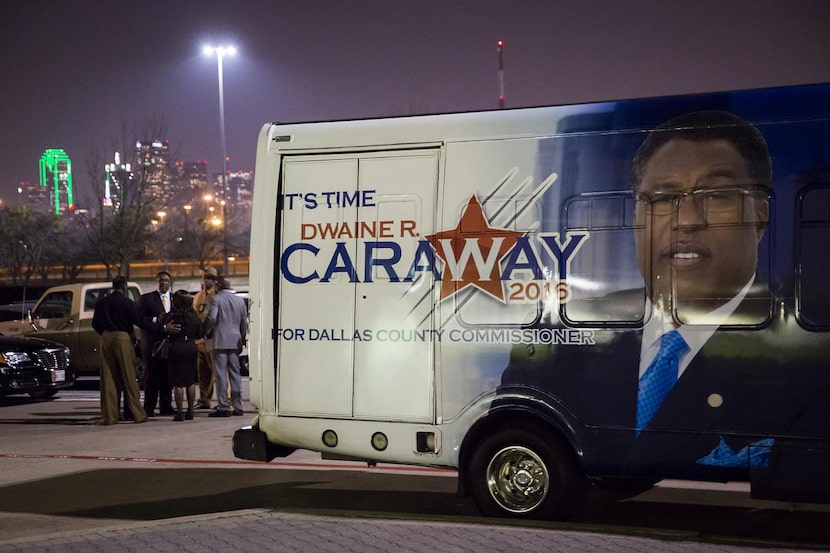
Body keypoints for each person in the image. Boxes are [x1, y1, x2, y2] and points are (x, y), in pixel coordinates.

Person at [498, 110, 819, 478]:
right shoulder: (556, 341)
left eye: (715, 196)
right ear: (636, 217)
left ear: (760, 216)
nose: (687, 219)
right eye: (664, 198)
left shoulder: (807, 358)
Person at [92, 276, 168, 425]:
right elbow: (140, 322)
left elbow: (95, 323)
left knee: (108, 378)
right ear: (125, 287)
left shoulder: (102, 302)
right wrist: (161, 328)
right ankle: (137, 413)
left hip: (106, 337)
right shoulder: (127, 303)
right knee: (129, 376)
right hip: (122, 337)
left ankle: (110, 416)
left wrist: (105, 333)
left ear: (113, 286)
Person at [203, 276, 248, 417]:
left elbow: (212, 318)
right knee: (235, 374)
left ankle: (223, 406)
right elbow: (243, 322)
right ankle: (238, 405)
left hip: (219, 340)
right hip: (235, 341)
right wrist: (241, 338)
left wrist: (206, 331)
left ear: (218, 286)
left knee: (221, 375)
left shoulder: (216, 299)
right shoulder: (239, 301)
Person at [138, 271, 176, 417]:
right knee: (151, 377)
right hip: (152, 345)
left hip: (169, 345)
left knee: (167, 377)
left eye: (166, 280)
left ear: (170, 283)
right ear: (156, 282)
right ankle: (149, 407)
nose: (164, 283)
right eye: (161, 280)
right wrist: (157, 321)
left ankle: (166, 406)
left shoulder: (174, 299)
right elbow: (141, 320)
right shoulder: (147, 299)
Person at [160, 290, 202, 421]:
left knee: (177, 383)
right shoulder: (195, 317)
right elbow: (200, 334)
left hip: (176, 347)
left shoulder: (171, 316)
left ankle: (179, 413)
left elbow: (162, 330)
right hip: (191, 346)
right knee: (190, 381)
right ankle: (190, 411)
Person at [192, 266, 218, 410]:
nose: (205, 280)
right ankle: (204, 400)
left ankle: (225, 400)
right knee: (203, 372)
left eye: (208, 278)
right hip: (200, 340)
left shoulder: (217, 296)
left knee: (218, 371)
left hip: (212, 339)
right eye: (204, 278)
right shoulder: (199, 295)